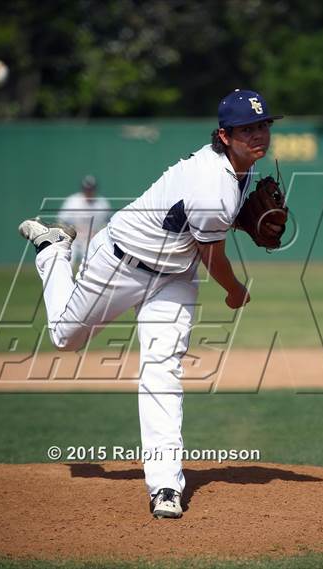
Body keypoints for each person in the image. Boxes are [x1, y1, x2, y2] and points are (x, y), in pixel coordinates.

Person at [19, 89, 283, 519]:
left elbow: (196, 223)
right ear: (224, 135)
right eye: (247, 129)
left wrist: (235, 217)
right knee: (65, 339)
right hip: (121, 261)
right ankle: (52, 251)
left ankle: (165, 485)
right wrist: (235, 291)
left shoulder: (238, 168)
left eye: (263, 125)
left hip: (173, 277)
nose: (258, 135)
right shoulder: (213, 182)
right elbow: (212, 257)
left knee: (162, 367)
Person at [58, 175, 111, 267]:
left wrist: (97, 233)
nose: (89, 192)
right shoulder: (72, 202)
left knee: (91, 265)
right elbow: (62, 221)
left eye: (91, 189)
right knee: (67, 263)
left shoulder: (102, 204)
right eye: (87, 189)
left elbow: (107, 224)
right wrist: (72, 232)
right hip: (73, 239)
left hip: (91, 240)